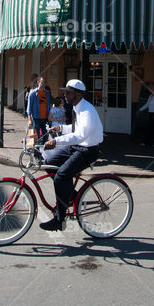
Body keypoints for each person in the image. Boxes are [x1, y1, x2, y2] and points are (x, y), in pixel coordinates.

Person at [42, 79, 104, 231]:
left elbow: (81, 135)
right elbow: (76, 129)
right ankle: (72, 196)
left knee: (61, 176)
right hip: (76, 146)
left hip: (87, 150)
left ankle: (59, 219)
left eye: (68, 92)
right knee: (49, 161)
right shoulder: (77, 107)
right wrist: (61, 129)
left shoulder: (87, 110)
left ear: (77, 94)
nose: (64, 95)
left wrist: (57, 141)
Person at [138, 82, 154, 147]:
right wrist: (140, 110)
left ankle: (147, 142)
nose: (149, 88)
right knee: (153, 128)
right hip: (151, 113)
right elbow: (147, 104)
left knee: (152, 128)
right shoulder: (151, 95)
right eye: (149, 87)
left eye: (150, 87)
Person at [26, 76, 50, 143]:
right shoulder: (33, 93)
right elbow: (29, 108)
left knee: (45, 136)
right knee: (36, 136)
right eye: (42, 82)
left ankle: (43, 151)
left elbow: (48, 105)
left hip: (45, 118)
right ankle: (36, 152)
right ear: (38, 82)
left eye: (45, 82)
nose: (43, 84)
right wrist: (29, 120)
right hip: (36, 118)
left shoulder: (47, 93)